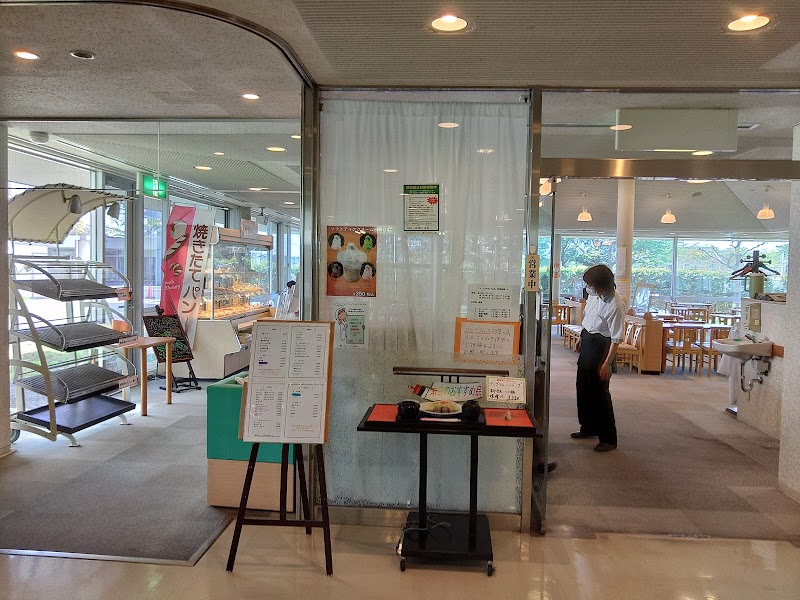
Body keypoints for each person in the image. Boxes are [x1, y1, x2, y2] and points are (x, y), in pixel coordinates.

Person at [571, 264, 625, 452]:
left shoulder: (616, 305)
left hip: (603, 346)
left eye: (590, 284)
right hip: (588, 339)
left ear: (600, 285)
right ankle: (588, 427)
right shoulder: (594, 296)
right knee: (583, 388)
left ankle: (608, 438)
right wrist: (581, 338)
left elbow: (616, 338)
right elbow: (589, 319)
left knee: (600, 393)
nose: (588, 288)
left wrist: (607, 363)